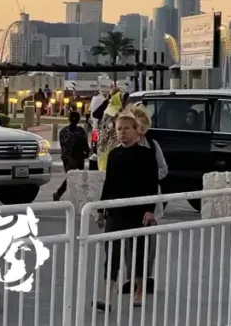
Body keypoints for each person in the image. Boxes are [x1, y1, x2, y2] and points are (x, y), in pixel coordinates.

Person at [96, 112, 160, 310]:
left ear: (136, 131)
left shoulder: (147, 155)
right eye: (118, 129)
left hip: (139, 211)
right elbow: (109, 183)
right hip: (116, 210)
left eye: (126, 129)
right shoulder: (114, 154)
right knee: (112, 254)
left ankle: (139, 291)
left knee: (139, 252)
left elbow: (152, 182)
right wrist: (101, 209)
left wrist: (150, 210)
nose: (122, 133)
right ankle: (106, 295)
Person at [124, 104, 167, 295]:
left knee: (148, 241)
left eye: (144, 130)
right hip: (128, 199)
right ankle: (130, 277)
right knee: (127, 239)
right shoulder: (122, 147)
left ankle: (146, 276)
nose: (141, 134)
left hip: (149, 198)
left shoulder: (153, 145)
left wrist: (149, 175)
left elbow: (163, 169)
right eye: (138, 130)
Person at [53, 111, 90, 201]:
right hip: (78, 157)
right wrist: (87, 153)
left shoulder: (63, 132)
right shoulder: (80, 131)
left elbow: (63, 146)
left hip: (66, 158)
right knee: (77, 177)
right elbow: (85, 144)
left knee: (71, 177)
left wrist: (65, 157)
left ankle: (60, 193)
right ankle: (62, 193)